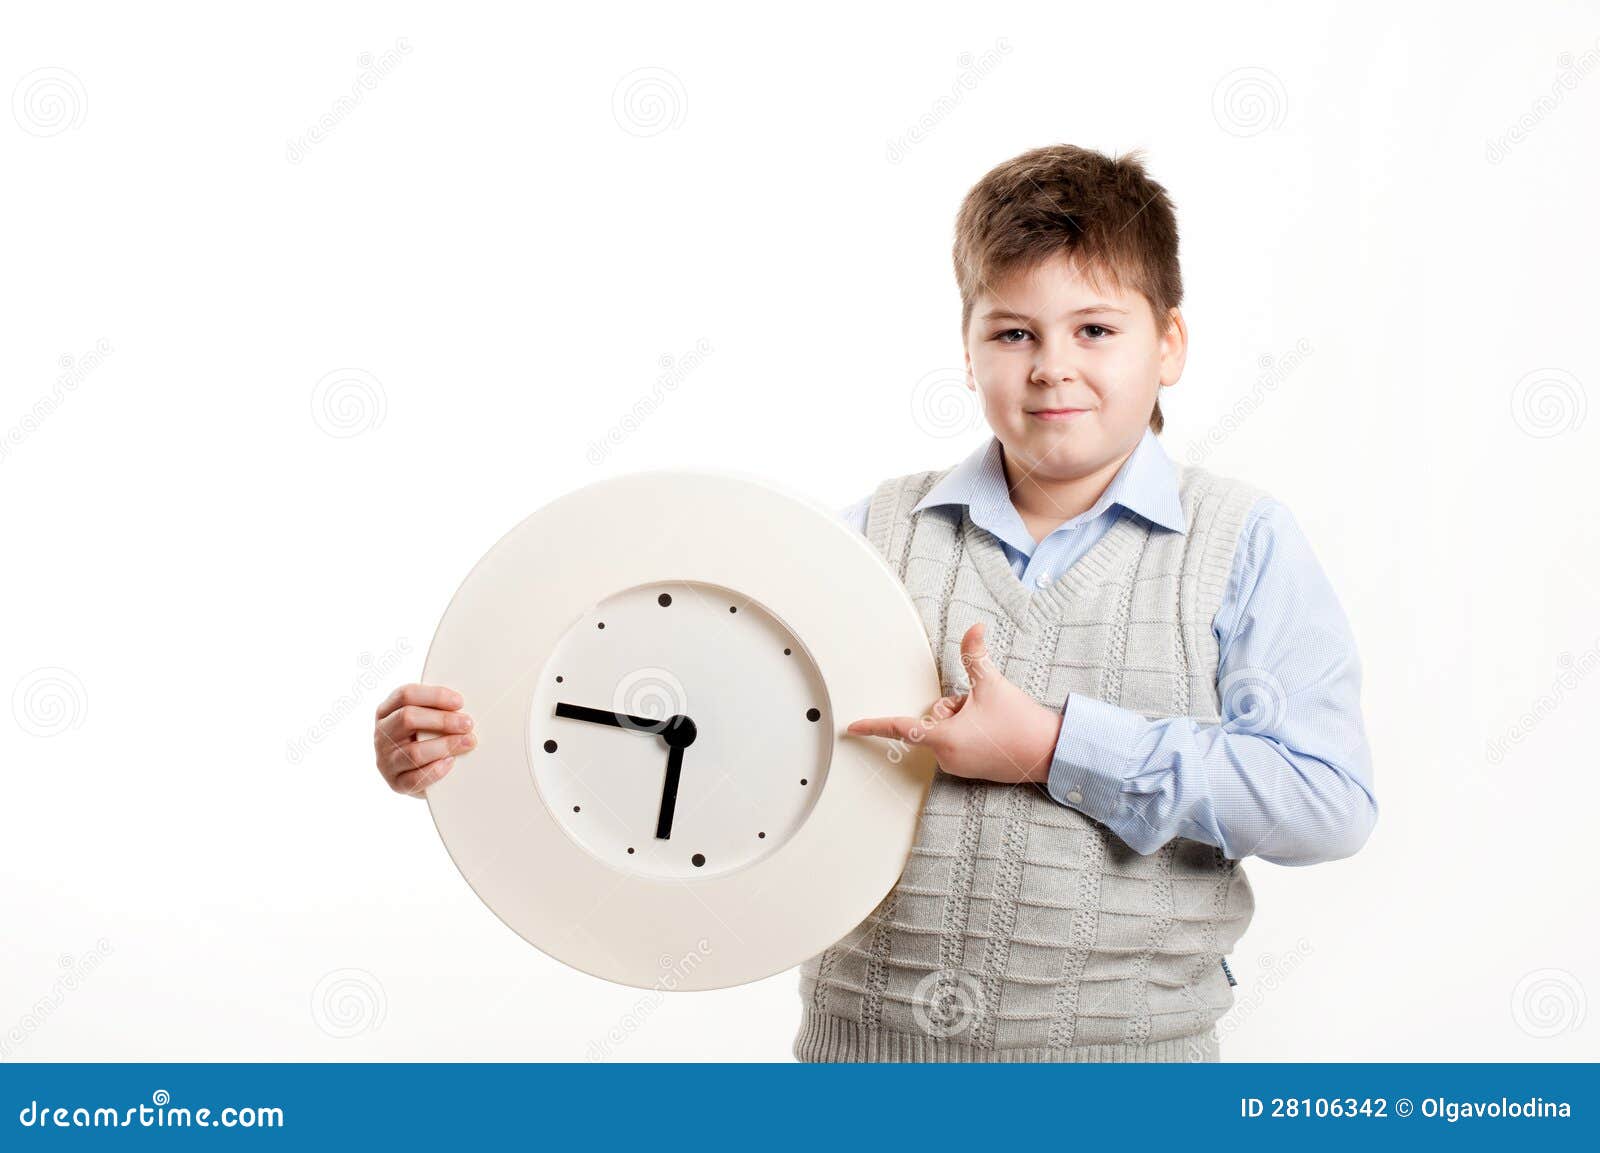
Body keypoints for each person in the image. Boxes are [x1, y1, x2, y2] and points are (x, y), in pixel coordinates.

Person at [374, 143, 1377, 1062]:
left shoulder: (1242, 544)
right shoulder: (860, 544)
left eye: (1095, 329)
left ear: (1168, 345)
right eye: (1013, 331)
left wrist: (1053, 746)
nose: (1052, 366)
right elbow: (691, 719)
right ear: (969, 350)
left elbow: (1326, 802)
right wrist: (471, 745)